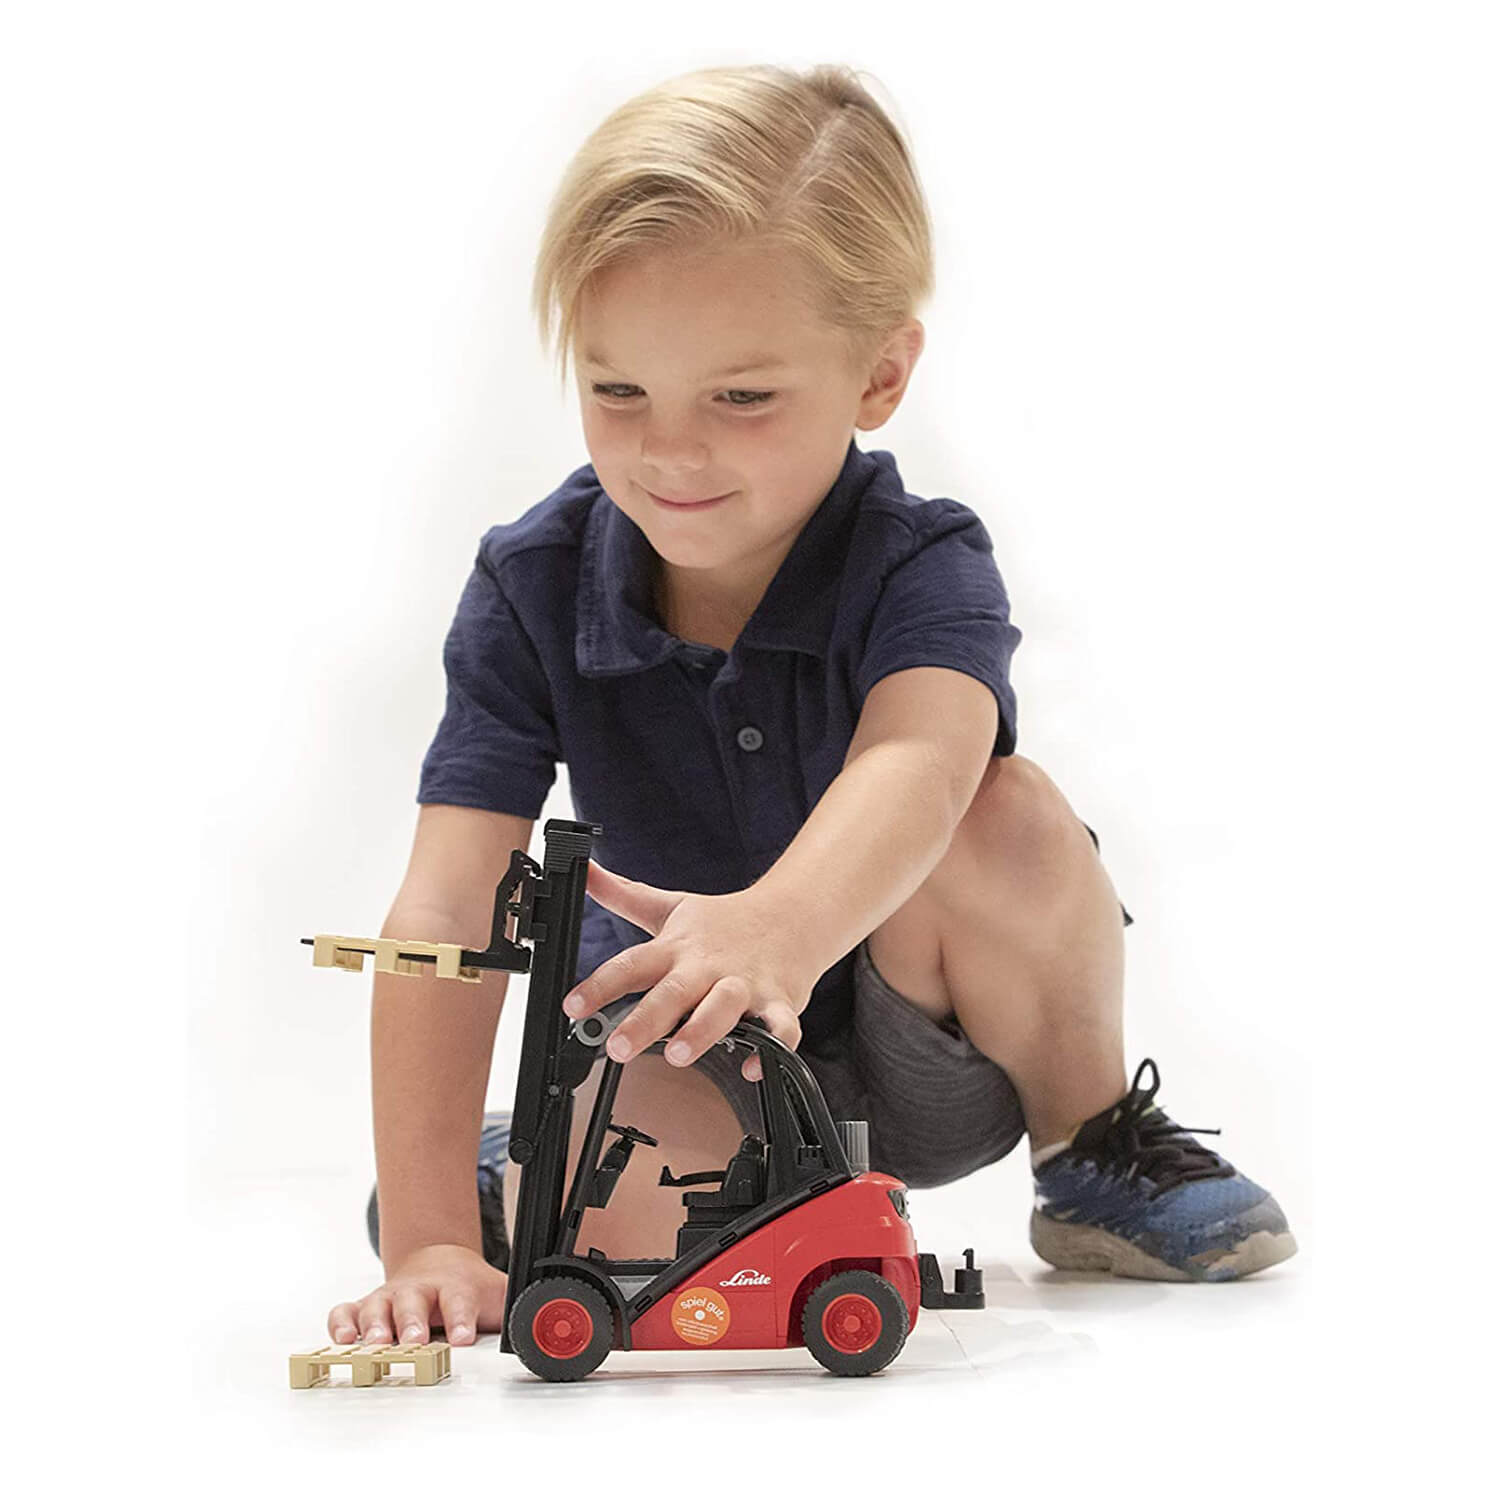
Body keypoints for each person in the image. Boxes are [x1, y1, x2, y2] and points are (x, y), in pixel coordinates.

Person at [329, 62, 1296, 1351]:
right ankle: (527, 1173)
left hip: (927, 1042)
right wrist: (432, 1236)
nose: (669, 451)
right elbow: (448, 902)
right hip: (683, 1039)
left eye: (741, 397)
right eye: (620, 390)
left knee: (1009, 811)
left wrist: (781, 926)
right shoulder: (532, 581)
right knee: (591, 1240)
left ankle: (1093, 1148)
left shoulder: (920, 559)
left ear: (880, 376)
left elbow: (925, 755)